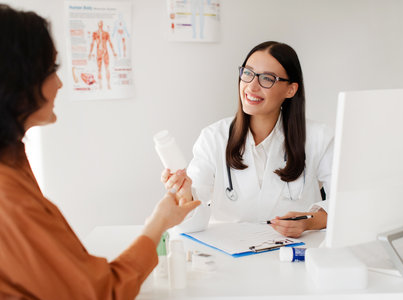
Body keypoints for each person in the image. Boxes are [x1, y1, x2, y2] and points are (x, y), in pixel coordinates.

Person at [0, 5, 200, 299]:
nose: (60, 84)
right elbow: (101, 292)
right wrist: (158, 224)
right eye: (51, 70)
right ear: (16, 82)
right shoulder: (9, 196)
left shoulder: (13, 161)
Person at [162, 41, 333, 238]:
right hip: (229, 257)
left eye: (267, 78)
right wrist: (185, 194)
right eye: (248, 73)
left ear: (291, 90)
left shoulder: (319, 138)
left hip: (294, 256)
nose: (251, 86)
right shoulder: (214, 138)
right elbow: (191, 223)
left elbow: (347, 205)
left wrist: (311, 221)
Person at [88, 20, 117, 89]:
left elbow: (110, 42)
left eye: (101, 23)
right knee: (99, 69)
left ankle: (108, 84)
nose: (100, 24)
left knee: (107, 68)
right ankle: (100, 85)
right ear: (98, 24)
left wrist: (113, 52)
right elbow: (92, 43)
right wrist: (90, 53)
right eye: (99, 23)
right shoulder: (95, 33)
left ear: (102, 24)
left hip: (105, 51)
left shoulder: (106, 33)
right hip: (99, 52)